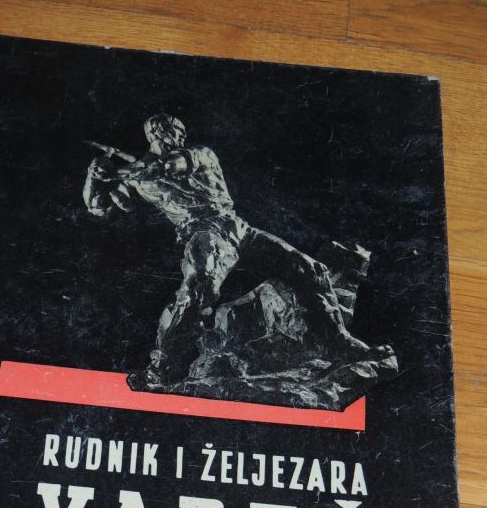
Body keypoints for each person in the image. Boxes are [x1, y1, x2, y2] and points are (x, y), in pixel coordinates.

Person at [84, 114, 387, 385]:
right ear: (156, 133)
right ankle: (160, 369)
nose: (179, 137)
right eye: (174, 131)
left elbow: (170, 166)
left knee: (310, 268)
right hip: (204, 232)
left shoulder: (200, 154)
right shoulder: (138, 178)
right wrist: (94, 176)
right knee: (198, 287)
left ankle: (340, 343)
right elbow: (98, 207)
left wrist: (121, 172)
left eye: (180, 132)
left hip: (238, 228)